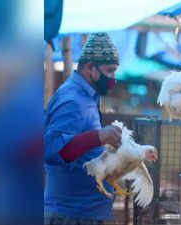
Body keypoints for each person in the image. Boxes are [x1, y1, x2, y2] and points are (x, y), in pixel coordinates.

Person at [44, 33, 122, 225]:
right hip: (70, 215)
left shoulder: (87, 97)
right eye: (109, 71)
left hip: (83, 214)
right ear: (90, 68)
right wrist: (99, 137)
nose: (113, 78)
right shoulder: (72, 100)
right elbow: (53, 150)